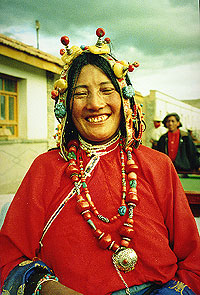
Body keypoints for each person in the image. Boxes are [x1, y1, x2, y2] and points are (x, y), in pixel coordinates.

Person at [0, 28, 200, 295]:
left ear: (124, 99)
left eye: (106, 90)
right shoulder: (47, 168)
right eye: (81, 93)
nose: (95, 104)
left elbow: (192, 260)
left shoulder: (157, 165)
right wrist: (51, 290)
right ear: (67, 106)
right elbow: (8, 258)